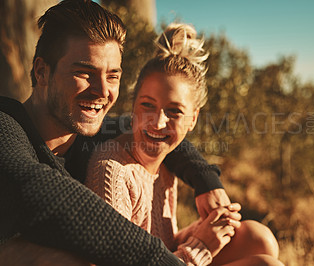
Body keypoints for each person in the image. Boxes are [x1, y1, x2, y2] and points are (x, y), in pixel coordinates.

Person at [0, 0, 232, 265]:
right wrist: (165, 261)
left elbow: (158, 131)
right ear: (42, 71)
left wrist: (205, 180)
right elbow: (35, 190)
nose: (102, 91)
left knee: (253, 238)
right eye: (84, 73)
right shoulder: (6, 126)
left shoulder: (89, 134)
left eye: (112, 76)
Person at [85, 23, 284, 266]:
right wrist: (200, 246)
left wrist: (205, 230)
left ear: (193, 119)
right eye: (147, 105)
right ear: (133, 105)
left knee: (259, 238)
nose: (158, 123)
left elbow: (162, 243)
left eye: (174, 111)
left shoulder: (166, 158)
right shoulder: (113, 173)